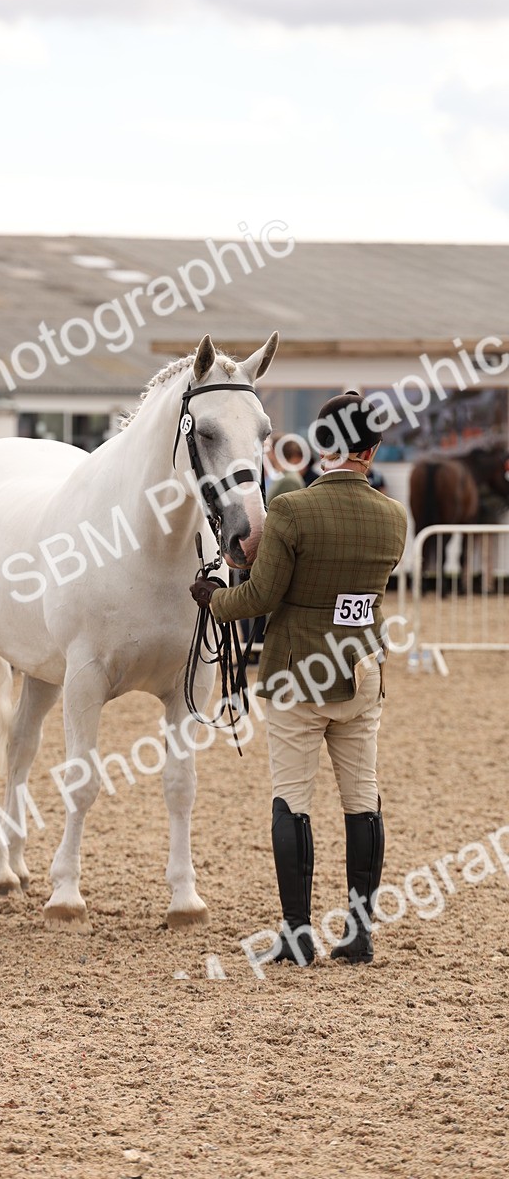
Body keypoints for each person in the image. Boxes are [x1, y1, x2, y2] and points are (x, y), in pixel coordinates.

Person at [190, 392, 407, 967]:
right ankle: (359, 933)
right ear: (373, 449)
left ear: (324, 445)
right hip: (361, 674)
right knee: (362, 801)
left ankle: (297, 931)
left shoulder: (291, 512)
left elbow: (261, 596)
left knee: (292, 803)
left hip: (297, 676)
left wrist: (215, 601)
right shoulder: (393, 516)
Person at [266, 435, 310, 505]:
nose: (266, 455)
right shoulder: (282, 477)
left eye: (268, 451)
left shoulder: (289, 480)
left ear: (274, 452)